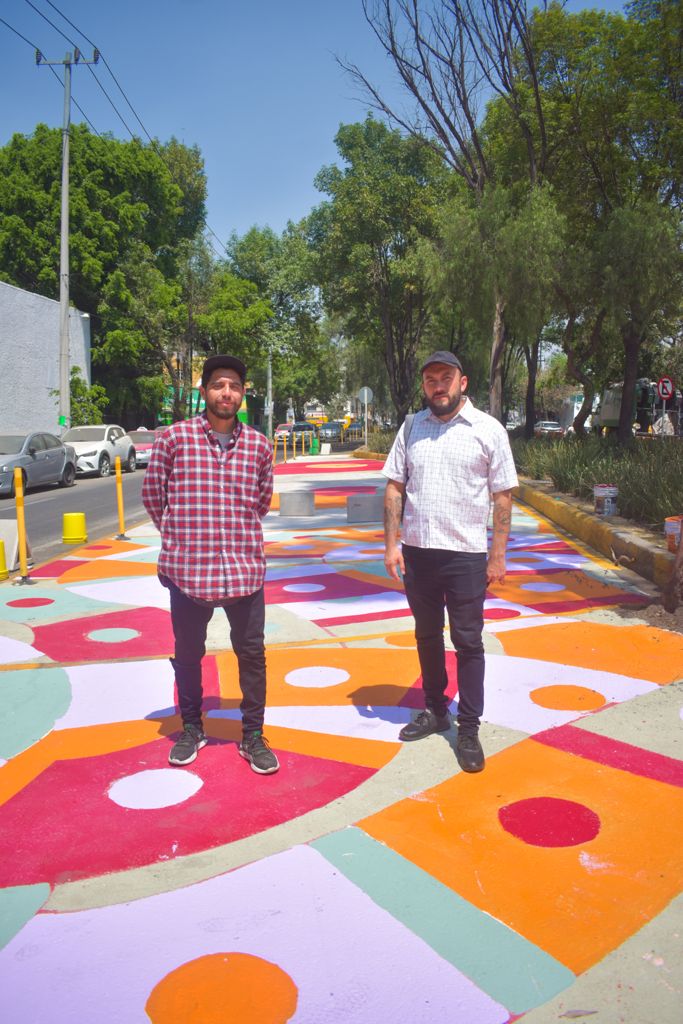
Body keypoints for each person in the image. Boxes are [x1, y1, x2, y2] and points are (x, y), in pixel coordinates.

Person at [142, 354, 278, 774]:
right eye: (218, 384)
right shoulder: (174, 439)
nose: (227, 392)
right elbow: (153, 496)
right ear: (204, 392)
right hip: (188, 572)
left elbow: (260, 502)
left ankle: (253, 734)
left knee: (252, 655)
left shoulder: (259, 445)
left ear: (242, 393)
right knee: (187, 654)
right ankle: (191, 727)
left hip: (243, 570)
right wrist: (183, 540)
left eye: (234, 386)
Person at [383, 351, 518, 773]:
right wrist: (392, 544)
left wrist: (497, 555)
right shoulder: (411, 427)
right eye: (430, 380)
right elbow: (394, 488)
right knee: (426, 636)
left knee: (468, 641)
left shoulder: (488, 430)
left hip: (466, 557)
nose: (437, 386)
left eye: (445, 378)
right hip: (419, 555)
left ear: (463, 382)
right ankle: (436, 709)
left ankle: (468, 727)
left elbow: (503, 496)